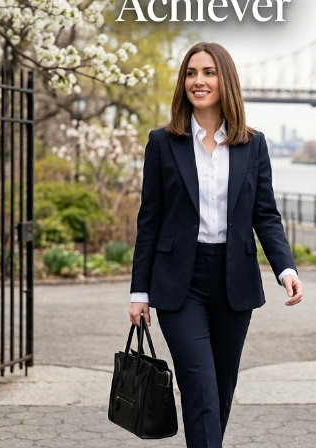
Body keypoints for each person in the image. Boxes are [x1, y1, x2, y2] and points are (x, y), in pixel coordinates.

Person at [129, 42, 303, 448]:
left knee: (221, 390)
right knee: (200, 385)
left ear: (225, 80)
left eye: (208, 72)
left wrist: (286, 269)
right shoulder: (162, 142)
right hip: (178, 283)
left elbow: (265, 215)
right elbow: (149, 221)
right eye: (191, 73)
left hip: (233, 280)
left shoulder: (252, 144)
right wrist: (139, 292)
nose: (198, 81)